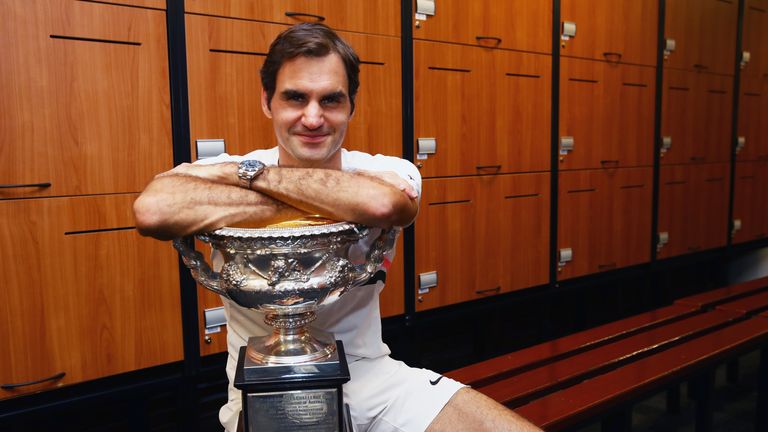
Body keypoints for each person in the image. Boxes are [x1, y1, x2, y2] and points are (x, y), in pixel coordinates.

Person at [134, 23, 541, 432]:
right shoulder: (348, 176)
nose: (313, 118)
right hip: (263, 394)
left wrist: (243, 179)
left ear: (351, 106)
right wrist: (332, 195)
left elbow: (383, 203)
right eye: (295, 98)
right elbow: (152, 212)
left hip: (374, 382)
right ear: (267, 101)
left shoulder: (387, 171)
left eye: (330, 100)